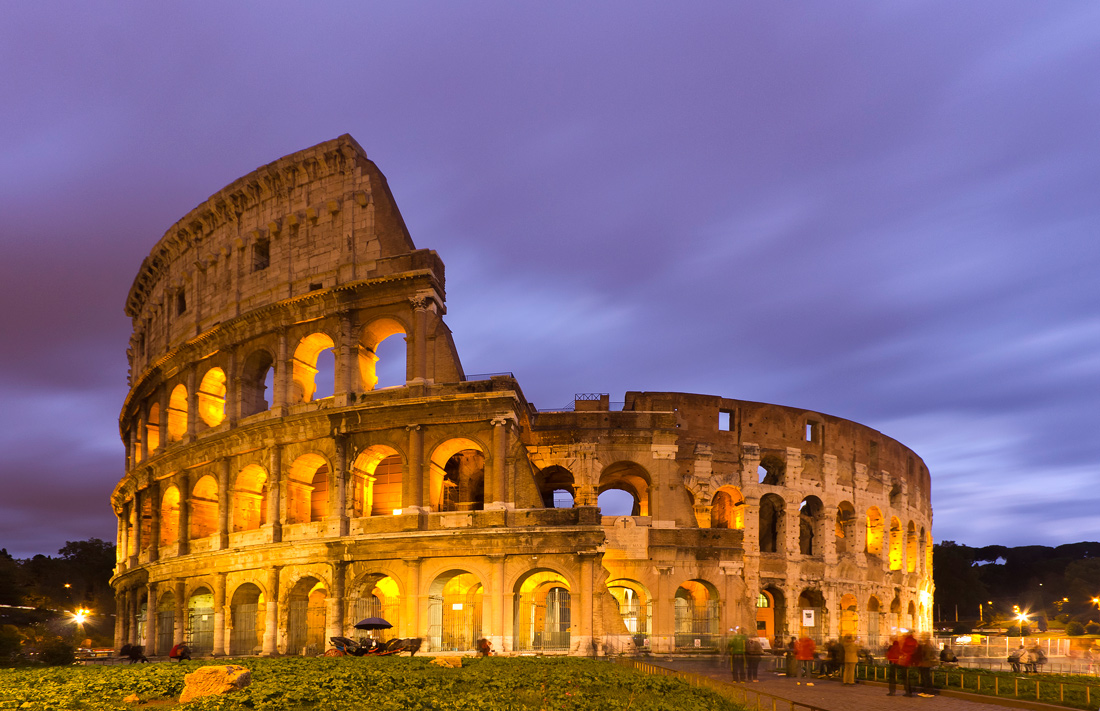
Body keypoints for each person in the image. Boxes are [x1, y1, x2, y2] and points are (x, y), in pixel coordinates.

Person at [898, 631, 920, 697]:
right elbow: (916, 650)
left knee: (905, 677)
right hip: (913, 661)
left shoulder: (905, 640)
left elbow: (902, 650)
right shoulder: (915, 641)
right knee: (912, 676)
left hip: (905, 661)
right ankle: (911, 690)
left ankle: (908, 691)